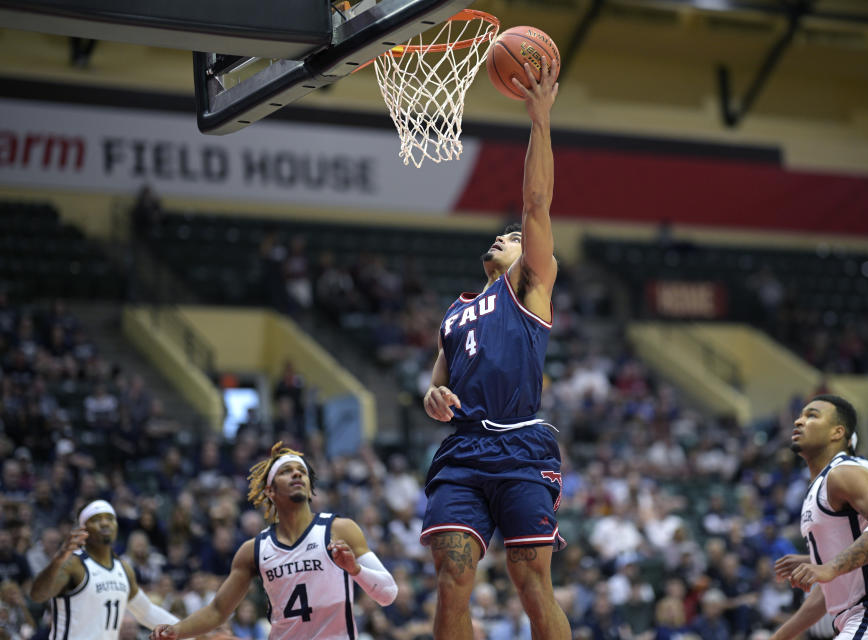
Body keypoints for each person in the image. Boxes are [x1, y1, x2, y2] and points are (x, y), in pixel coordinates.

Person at [420, 57, 570, 640]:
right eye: (504, 235)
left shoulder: (531, 286)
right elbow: (436, 385)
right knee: (452, 580)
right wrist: (433, 396)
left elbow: (535, 204)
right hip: (463, 452)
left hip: (522, 446)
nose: (507, 236)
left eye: (514, 238)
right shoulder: (454, 312)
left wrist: (540, 121)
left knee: (531, 580)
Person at [149, 442, 397, 639]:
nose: (297, 474)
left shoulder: (340, 529)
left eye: (302, 472)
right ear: (270, 490)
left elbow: (388, 594)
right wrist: (177, 631)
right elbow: (217, 610)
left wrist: (355, 569)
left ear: (311, 489)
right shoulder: (254, 550)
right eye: (286, 472)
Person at [770, 395, 868, 640]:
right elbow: (824, 590)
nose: (799, 421)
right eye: (800, 415)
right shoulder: (817, 487)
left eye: (812, 415)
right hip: (862, 619)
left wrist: (831, 567)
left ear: (837, 432)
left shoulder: (843, 473)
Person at [28, 500, 179, 639]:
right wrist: (58, 559)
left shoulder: (123, 568)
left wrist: (188, 632)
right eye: (96, 520)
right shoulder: (73, 564)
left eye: (109, 518)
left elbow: (146, 612)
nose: (105, 523)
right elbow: (37, 595)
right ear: (83, 528)